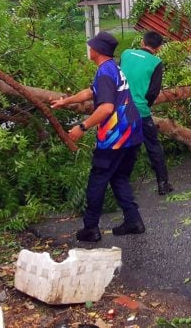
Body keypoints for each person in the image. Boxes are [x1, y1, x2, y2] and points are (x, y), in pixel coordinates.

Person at [51, 31, 145, 242]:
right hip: (132, 133)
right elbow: (91, 92)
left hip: (115, 137)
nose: (89, 49)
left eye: (90, 46)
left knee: (98, 180)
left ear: (98, 51)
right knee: (119, 176)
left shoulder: (104, 73)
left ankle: (91, 228)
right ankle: (133, 220)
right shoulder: (111, 68)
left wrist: (81, 127)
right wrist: (66, 101)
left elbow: (106, 108)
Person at [120, 31, 173, 195]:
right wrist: (145, 105)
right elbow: (153, 91)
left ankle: (121, 185)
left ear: (142, 42)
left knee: (122, 146)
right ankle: (163, 184)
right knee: (153, 147)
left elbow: (117, 76)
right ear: (158, 48)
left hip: (120, 109)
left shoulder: (126, 54)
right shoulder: (156, 62)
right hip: (140, 112)